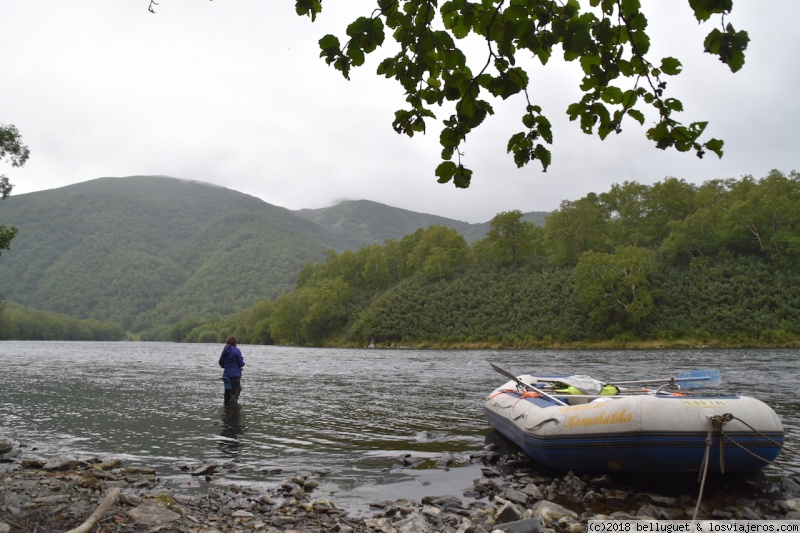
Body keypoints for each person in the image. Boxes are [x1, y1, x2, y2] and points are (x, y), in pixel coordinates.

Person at [219, 336, 245, 404]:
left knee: (227, 395)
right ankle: (234, 411)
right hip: (235, 376)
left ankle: (226, 411)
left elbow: (221, 363)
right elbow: (241, 364)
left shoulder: (224, 351)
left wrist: (227, 366)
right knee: (234, 393)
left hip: (226, 376)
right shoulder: (237, 350)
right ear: (235, 343)